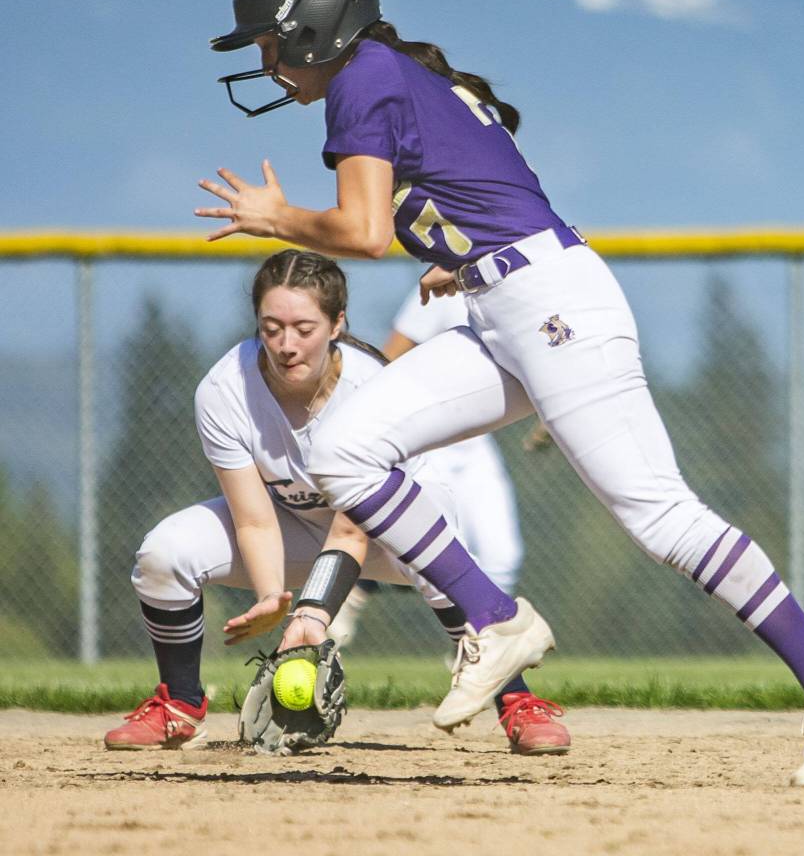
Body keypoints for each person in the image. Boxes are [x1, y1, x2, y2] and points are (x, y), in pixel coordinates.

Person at [198, 0, 804, 786]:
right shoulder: (392, 72)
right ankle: (493, 621)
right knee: (344, 446)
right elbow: (492, 186)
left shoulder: (362, 79)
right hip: (509, 303)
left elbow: (363, 234)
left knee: (660, 518)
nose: (266, 60)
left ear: (311, 29)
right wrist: (467, 250)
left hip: (549, 307)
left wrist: (279, 218)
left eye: (270, 41)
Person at [103, 250, 568, 756]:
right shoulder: (224, 389)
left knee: (440, 556)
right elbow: (255, 520)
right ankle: (179, 707)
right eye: (271, 326)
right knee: (163, 553)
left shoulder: (373, 385)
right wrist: (269, 598)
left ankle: (518, 701)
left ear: (336, 324)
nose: (285, 344)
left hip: (390, 529)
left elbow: (352, 530)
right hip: (292, 523)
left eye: (304, 327)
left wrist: (313, 612)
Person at [329, 287, 524, 648]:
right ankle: (346, 601)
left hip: (476, 443)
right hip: (429, 442)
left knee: (502, 556)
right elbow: (388, 357)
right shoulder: (444, 291)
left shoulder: (509, 292)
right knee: (427, 551)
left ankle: (480, 655)